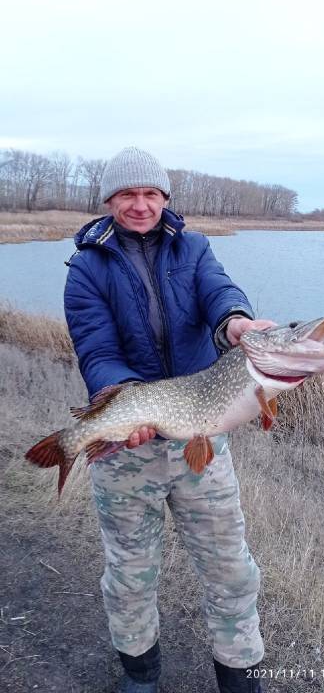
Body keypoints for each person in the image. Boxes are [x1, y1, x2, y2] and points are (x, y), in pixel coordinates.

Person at [64, 147, 274, 693]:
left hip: (201, 439)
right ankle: (139, 675)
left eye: (151, 194)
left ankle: (240, 672)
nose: (140, 205)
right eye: (128, 195)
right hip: (128, 449)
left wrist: (236, 324)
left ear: (164, 198)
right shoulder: (86, 267)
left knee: (232, 567)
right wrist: (125, 401)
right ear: (109, 200)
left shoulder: (195, 247)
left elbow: (220, 293)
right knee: (131, 574)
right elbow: (96, 350)